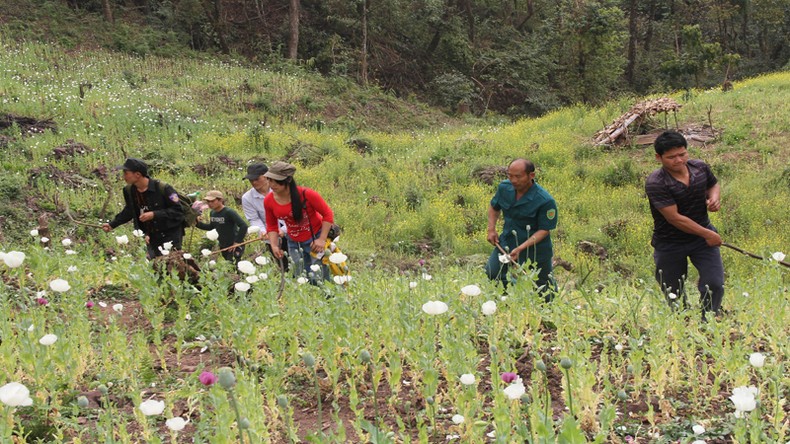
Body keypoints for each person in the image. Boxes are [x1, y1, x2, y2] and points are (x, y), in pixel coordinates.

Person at [646, 130, 724, 319]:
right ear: (659, 157)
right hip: (670, 243)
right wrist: (708, 234)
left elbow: (713, 185)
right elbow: (674, 218)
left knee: (714, 283)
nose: (679, 160)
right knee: (673, 292)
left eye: (682, 154)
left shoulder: (699, 168)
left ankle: (709, 320)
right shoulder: (657, 183)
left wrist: (713, 199)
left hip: (702, 239)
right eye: (671, 157)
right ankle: (682, 323)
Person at [485, 158, 558, 301]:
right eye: (510, 175)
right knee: (493, 272)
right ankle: (508, 300)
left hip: (535, 249)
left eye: (518, 176)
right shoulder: (504, 188)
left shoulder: (545, 201)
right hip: (506, 243)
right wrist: (491, 229)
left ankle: (549, 314)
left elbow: (544, 230)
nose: (513, 180)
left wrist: (521, 248)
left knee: (542, 287)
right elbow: (494, 207)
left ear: (531, 176)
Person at [263, 161, 334, 284]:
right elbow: (272, 225)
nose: (271, 184)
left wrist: (321, 239)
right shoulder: (269, 200)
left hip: (314, 240)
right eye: (269, 180)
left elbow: (327, 214)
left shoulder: (307, 194)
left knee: (320, 276)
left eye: (276, 181)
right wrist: (274, 245)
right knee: (300, 276)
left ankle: (327, 299)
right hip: (293, 242)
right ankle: (309, 300)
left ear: (288, 180)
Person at [102, 158, 184, 259]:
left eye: (126, 173)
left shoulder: (164, 188)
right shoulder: (129, 191)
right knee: (156, 266)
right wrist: (112, 224)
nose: (123, 176)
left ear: (137, 174)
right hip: (151, 235)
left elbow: (178, 211)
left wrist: (154, 214)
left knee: (173, 264)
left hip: (170, 233)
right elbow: (129, 211)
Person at [241, 163, 288, 271]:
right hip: (270, 236)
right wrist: (263, 231)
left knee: (298, 261)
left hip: (292, 232)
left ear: (266, 176)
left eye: (256, 179)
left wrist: (284, 230)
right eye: (251, 180)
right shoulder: (248, 198)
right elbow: (254, 219)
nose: (253, 182)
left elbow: (293, 214)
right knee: (283, 265)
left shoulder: (281, 190)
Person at [195, 190, 248, 263]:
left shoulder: (229, 212)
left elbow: (243, 226)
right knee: (228, 264)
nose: (210, 203)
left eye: (212, 201)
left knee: (234, 264)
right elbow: (211, 227)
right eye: (208, 201)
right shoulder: (213, 213)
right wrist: (197, 223)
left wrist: (237, 242)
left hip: (233, 245)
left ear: (220, 200)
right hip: (223, 245)